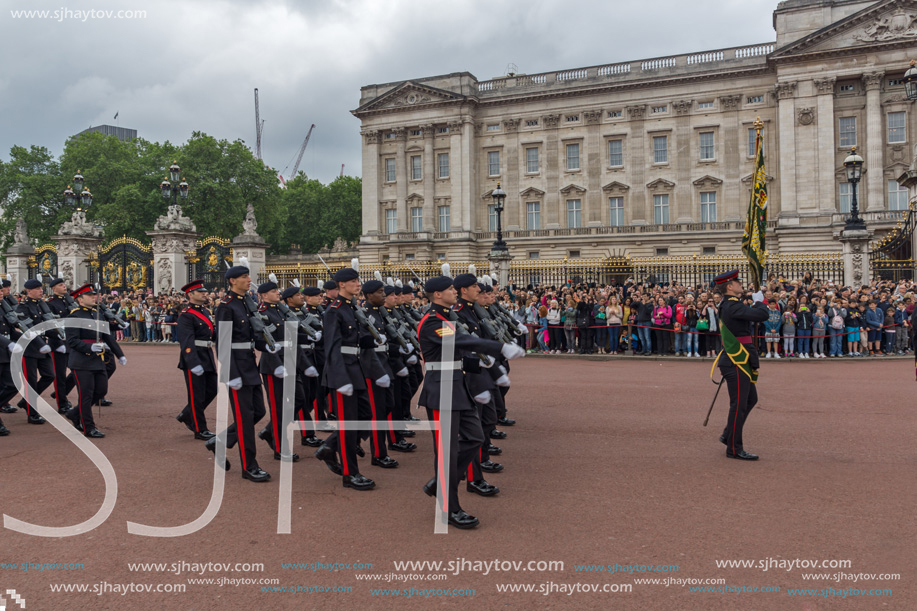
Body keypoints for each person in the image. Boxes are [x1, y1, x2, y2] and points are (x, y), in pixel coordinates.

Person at [417, 275, 523, 529]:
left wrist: (493, 371)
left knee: (475, 437)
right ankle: (448, 509)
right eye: (450, 289)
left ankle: (439, 483)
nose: (455, 292)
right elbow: (461, 342)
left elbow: (462, 353)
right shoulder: (433, 321)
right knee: (446, 452)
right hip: (441, 391)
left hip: (458, 387)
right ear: (438, 295)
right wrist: (499, 348)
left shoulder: (447, 317)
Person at [205, 262, 272, 483]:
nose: (248, 279)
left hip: (249, 363)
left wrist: (267, 345)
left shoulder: (248, 302)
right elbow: (222, 343)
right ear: (233, 280)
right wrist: (230, 373)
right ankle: (249, 466)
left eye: (248, 276)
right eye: (244, 276)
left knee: (258, 412)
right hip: (236, 367)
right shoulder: (226, 306)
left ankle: (220, 442)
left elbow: (254, 333)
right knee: (244, 419)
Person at [314, 267, 378, 491]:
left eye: (357, 280)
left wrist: (375, 341)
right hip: (342, 373)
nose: (358, 284)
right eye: (353, 281)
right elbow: (332, 347)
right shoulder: (334, 310)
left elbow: (356, 339)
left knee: (366, 416)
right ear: (341, 285)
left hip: (356, 368)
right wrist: (340, 378)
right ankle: (350, 474)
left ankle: (329, 447)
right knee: (348, 425)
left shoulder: (352, 307)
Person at [711, 270, 768, 460]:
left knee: (750, 400)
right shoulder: (731, 306)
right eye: (737, 282)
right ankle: (734, 449)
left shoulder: (732, 305)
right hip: (736, 360)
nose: (740, 284)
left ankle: (729, 434)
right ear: (729, 286)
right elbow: (761, 315)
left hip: (739, 358)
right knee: (739, 405)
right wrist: (760, 301)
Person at [64, 283, 126, 438]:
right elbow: (72, 341)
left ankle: (74, 413)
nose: (94, 297)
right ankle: (88, 427)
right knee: (86, 395)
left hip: (98, 360)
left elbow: (107, 337)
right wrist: (89, 348)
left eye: (94, 295)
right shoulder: (74, 316)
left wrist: (120, 354)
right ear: (80, 299)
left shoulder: (98, 314)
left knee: (101, 391)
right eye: (90, 295)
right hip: (81, 361)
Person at [175, 280, 217, 441]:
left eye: (205, 291)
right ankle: (200, 429)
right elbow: (186, 342)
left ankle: (187, 414)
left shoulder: (206, 312)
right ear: (191, 295)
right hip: (194, 357)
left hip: (207, 355)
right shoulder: (186, 315)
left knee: (212, 389)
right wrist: (193, 362)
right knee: (196, 395)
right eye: (201, 292)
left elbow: (212, 334)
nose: (205, 294)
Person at [15, 279, 56, 423]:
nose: (41, 291)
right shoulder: (22, 308)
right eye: (38, 288)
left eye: (41, 288)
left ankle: (26, 401)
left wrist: (59, 336)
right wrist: (41, 344)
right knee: (31, 381)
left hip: (42, 347)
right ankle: (32, 413)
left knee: (50, 375)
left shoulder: (41, 306)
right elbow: (28, 330)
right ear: (29, 291)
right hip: (29, 349)